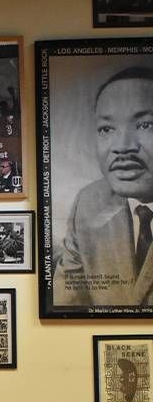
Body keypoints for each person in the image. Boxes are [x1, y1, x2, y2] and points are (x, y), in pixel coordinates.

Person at [54, 67, 153, 307]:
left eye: (145, 125)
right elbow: (65, 306)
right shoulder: (89, 203)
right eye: (107, 129)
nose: (122, 146)